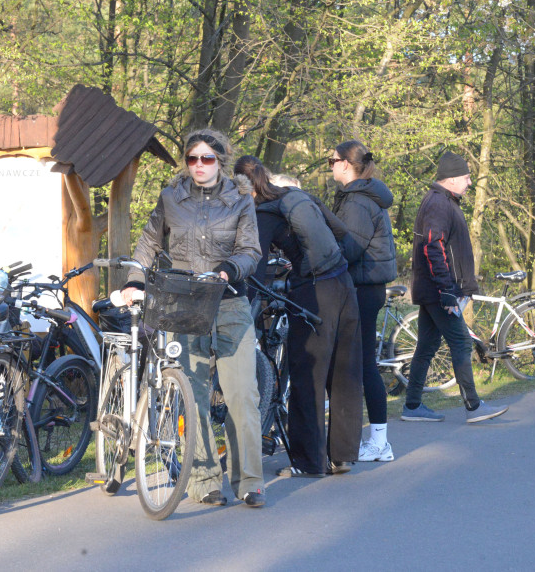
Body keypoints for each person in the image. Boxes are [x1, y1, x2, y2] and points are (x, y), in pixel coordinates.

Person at [120, 129, 266, 507]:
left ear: (221, 161)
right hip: (185, 305)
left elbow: (251, 250)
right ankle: (204, 480)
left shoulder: (240, 199)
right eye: (192, 158)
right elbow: (149, 243)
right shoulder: (171, 198)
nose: (199, 165)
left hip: (229, 304)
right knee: (192, 395)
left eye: (207, 158)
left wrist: (228, 269)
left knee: (242, 395)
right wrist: (135, 281)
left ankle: (249, 480)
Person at [235, 156, 364, 478]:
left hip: (314, 292)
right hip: (344, 284)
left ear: (244, 188)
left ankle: (308, 462)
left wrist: (240, 306)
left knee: (308, 375)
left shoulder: (264, 213)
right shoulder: (298, 195)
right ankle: (342, 456)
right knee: (345, 372)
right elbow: (342, 232)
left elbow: (256, 268)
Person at [402, 151, 508, 423]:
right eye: (466, 177)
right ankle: (473, 406)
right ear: (451, 179)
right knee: (461, 342)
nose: (470, 182)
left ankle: (412, 406)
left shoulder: (443, 201)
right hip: (440, 292)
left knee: (427, 346)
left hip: (435, 290)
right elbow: (432, 246)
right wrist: (447, 290)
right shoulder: (439, 204)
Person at [329, 140, 398, 462]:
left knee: (363, 365)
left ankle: (379, 442)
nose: (330, 166)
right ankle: (373, 440)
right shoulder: (359, 196)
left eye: (332, 161)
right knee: (360, 364)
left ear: (345, 164)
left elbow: (349, 249)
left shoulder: (356, 201)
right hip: (365, 288)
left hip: (362, 289)